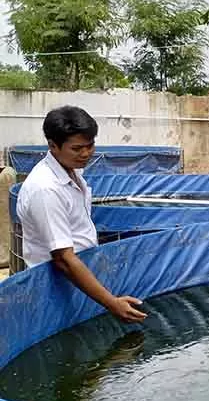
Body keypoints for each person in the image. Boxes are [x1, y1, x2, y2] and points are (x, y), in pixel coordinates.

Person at [16, 105, 147, 323]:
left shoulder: (73, 171)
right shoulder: (46, 189)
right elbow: (63, 259)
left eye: (90, 145)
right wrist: (112, 303)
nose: (86, 153)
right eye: (77, 148)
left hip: (79, 279)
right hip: (55, 285)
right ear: (52, 146)